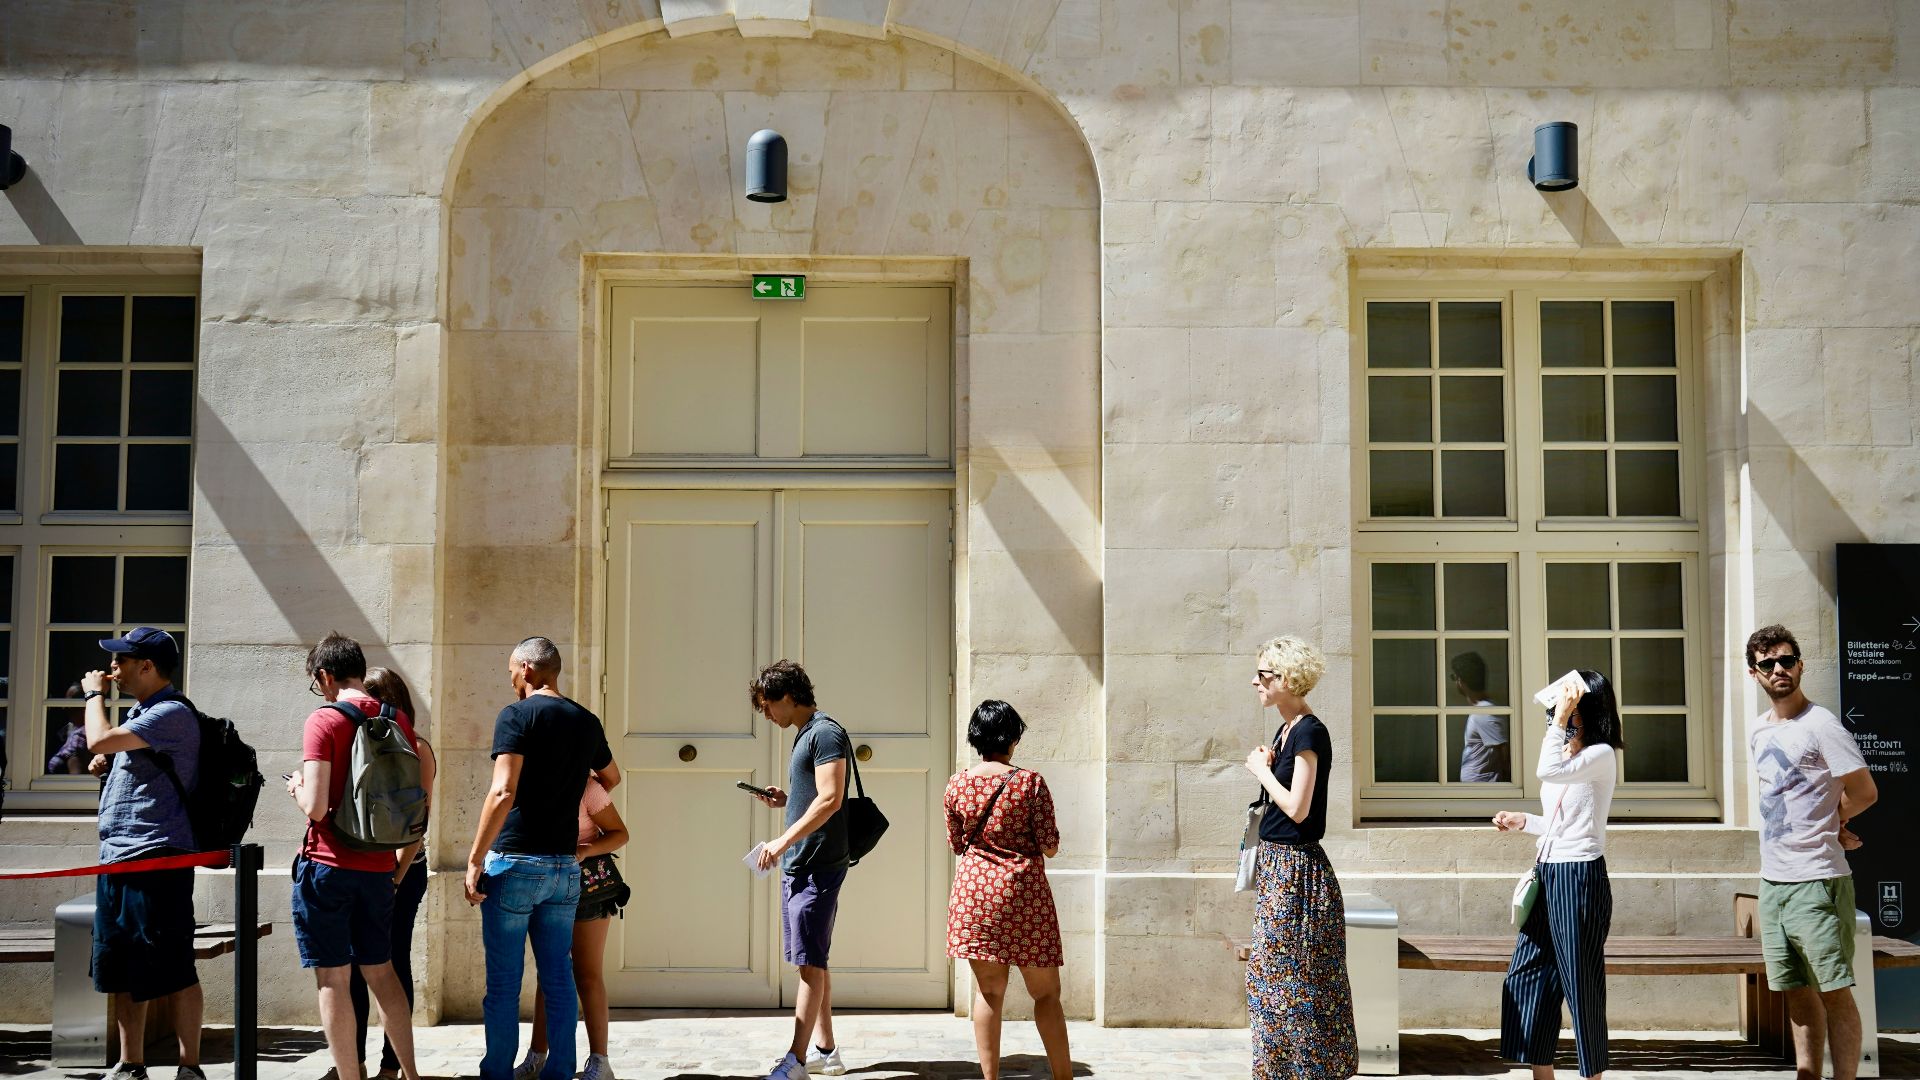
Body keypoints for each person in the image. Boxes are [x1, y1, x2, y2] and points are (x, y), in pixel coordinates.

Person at [465, 637, 616, 1080]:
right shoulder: (586, 721)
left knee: (504, 984)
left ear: (528, 669)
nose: (510, 678)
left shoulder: (516, 716)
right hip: (564, 869)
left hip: (516, 862)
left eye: (512, 670)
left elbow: (502, 790)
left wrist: (475, 859)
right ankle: (560, 1072)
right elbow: (611, 777)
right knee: (558, 977)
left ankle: (497, 1073)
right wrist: (566, 787)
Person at [289, 634, 425, 1080]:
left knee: (333, 979)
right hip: (378, 867)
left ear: (325, 676)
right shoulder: (398, 719)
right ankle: (410, 1073)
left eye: (317, 682)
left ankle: (351, 1077)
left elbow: (315, 806)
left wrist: (295, 787)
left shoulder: (324, 720)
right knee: (382, 972)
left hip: (328, 864)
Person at [1746, 624, 1877, 1080]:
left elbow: (1864, 791)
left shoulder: (1822, 725)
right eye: (1768, 664)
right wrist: (1834, 821)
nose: (1778, 669)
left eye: (1786, 660)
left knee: (1834, 991)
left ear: (1800, 665)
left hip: (1818, 880)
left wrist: (1837, 822)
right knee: (1797, 991)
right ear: (1755, 674)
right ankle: (1807, 1074)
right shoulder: (1760, 730)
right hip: (1773, 882)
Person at [83, 627, 204, 1080]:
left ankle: (189, 1066)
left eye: (121, 662)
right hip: (118, 854)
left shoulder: (171, 712)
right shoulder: (142, 713)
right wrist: (110, 763)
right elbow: (112, 754)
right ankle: (131, 1063)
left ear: (147, 667)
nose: (112, 670)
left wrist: (93, 697)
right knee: (121, 965)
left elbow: (96, 739)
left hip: (157, 855)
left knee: (173, 963)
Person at [1493, 669, 1622, 1080]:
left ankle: (1592, 1075)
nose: (1555, 719)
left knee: (1581, 984)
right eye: (1552, 714)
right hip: (1548, 871)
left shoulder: (1601, 754)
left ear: (1587, 710)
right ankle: (1541, 1074)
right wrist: (1523, 822)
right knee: (1528, 975)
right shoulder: (1567, 754)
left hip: (1580, 875)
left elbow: (1545, 773)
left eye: (1563, 712)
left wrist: (1561, 719)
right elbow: (1560, 820)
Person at [1241, 636, 1359, 1080]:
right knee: (1271, 979)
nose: (1256, 681)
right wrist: (1270, 760)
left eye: (1264, 674)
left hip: (1298, 872)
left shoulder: (1310, 730)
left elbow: (1298, 808)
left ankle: (1308, 1070)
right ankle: (1276, 1070)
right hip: (1278, 866)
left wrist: (1262, 771)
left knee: (1296, 981)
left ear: (1286, 680)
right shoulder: (1287, 729)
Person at [944, 700, 1071, 1080]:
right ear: (1012, 737)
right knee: (1046, 995)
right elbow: (1050, 845)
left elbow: (956, 843)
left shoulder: (957, 783)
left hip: (975, 896)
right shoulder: (1029, 782)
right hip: (1023, 897)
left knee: (988, 994)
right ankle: (1064, 1077)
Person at [747, 660, 853, 1080]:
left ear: (787, 697)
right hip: (802, 863)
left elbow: (831, 799)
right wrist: (786, 799)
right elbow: (815, 796)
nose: (767, 715)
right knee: (812, 960)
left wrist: (781, 841)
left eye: (768, 706)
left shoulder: (825, 732)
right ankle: (827, 1051)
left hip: (817, 863)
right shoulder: (806, 735)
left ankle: (796, 1059)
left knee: (810, 962)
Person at [340, 668, 437, 1080]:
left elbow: (418, 822)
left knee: (392, 961)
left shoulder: (417, 747)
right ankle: (354, 1062)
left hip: (401, 871)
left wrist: (395, 878)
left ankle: (391, 1065)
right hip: (358, 869)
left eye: (371, 698)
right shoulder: (352, 742)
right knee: (352, 965)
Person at [523, 772, 631, 1080]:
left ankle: (600, 1061)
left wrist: (584, 850)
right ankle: (537, 1057)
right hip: (544, 886)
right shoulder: (525, 780)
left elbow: (619, 833)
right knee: (549, 973)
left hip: (587, 888)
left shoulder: (587, 787)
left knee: (587, 974)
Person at [1452, 651, 1510, 783]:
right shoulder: (1482, 710)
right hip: (1478, 790)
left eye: (1453, 677)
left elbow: (1504, 755)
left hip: (1482, 791)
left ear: (1460, 681)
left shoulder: (1484, 712)